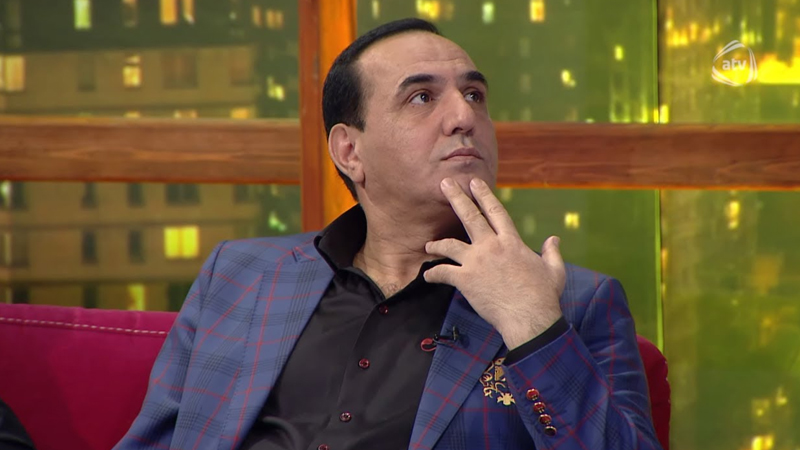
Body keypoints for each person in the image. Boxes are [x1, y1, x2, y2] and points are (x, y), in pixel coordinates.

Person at [114, 18, 662, 450]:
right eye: (422, 97)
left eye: (474, 95)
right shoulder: (239, 274)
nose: (463, 116)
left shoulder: (574, 302)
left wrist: (532, 325)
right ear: (350, 151)